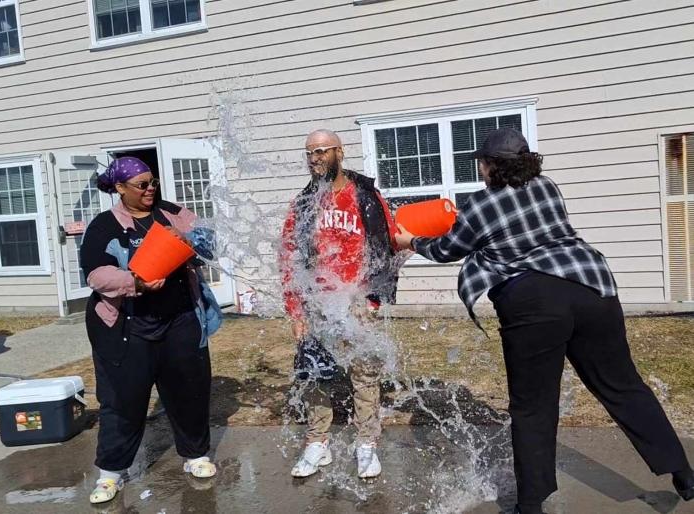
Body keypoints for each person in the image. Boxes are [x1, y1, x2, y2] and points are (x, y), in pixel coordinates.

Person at [394, 128, 694, 514]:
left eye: (482, 162)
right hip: (591, 287)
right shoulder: (548, 187)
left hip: (533, 302)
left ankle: (530, 505)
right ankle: (684, 474)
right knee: (623, 386)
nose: (480, 168)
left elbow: (448, 248)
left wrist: (412, 242)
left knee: (533, 406)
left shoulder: (480, 205)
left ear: (491, 166)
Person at [80, 156, 222, 504]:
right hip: (128, 325)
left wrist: (185, 236)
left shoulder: (171, 211)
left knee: (188, 389)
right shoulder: (103, 226)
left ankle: (195, 456)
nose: (150, 190)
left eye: (152, 182)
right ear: (120, 188)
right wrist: (136, 282)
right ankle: (111, 474)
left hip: (180, 319)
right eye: (141, 185)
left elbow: (210, 243)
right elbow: (95, 274)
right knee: (122, 400)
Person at [280, 129, 398, 479]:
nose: (315, 157)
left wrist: (374, 298)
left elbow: (387, 245)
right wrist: (295, 310)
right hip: (317, 301)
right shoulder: (303, 203)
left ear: (340, 152)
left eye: (322, 150)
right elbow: (289, 259)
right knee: (315, 372)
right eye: (309, 152)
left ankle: (367, 444)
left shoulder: (364, 195)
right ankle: (318, 442)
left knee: (364, 373)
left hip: (356, 299)